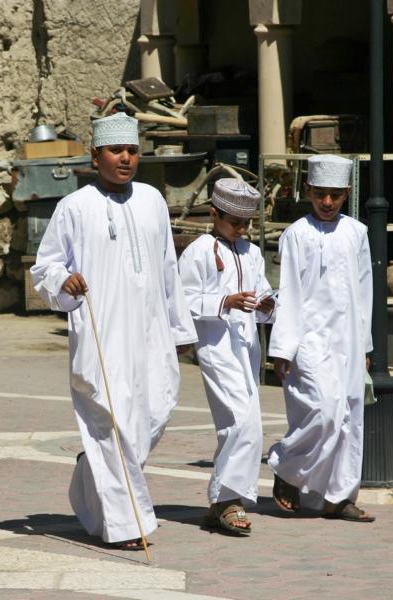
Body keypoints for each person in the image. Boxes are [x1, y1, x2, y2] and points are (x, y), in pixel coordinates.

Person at [30, 113, 197, 549]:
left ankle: (90, 474)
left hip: (151, 332)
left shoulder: (152, 200)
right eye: (116, 151)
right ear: (95, 155)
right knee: (114, 421)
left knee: (153, 415)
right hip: (102, 334)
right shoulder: (75, 206)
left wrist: (179, 331)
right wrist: (62, 282)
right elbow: (45, 265)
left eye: (132, 151)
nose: (125, 159)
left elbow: (167, 270)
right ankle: (128, 527)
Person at [267, 154, 376, 522]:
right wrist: (282, 348)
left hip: (348, 338)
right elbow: (290, 292)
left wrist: (366, 345)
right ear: (309, 192)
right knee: (323, 410)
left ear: (346, 193)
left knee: (348, 417)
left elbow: (364, 292)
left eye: (335, 195)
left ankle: (339, 497)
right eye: (320, 195)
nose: (327, 203)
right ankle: (287, 468)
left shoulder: (356, 233)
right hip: (309, 339)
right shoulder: (296, 234)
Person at [178, 178, 275, 535]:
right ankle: (229, 501)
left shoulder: (251, 252)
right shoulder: (199, 251)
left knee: (249, 423)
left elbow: (264, 294)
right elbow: (182, 298)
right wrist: (224, 302)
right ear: (214, 213)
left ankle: (221, 502)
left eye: (246, 223)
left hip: (247, 346)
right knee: (240, 421)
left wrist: (267, 304)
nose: (241, 229)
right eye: (234, 222)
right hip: (215, 347)